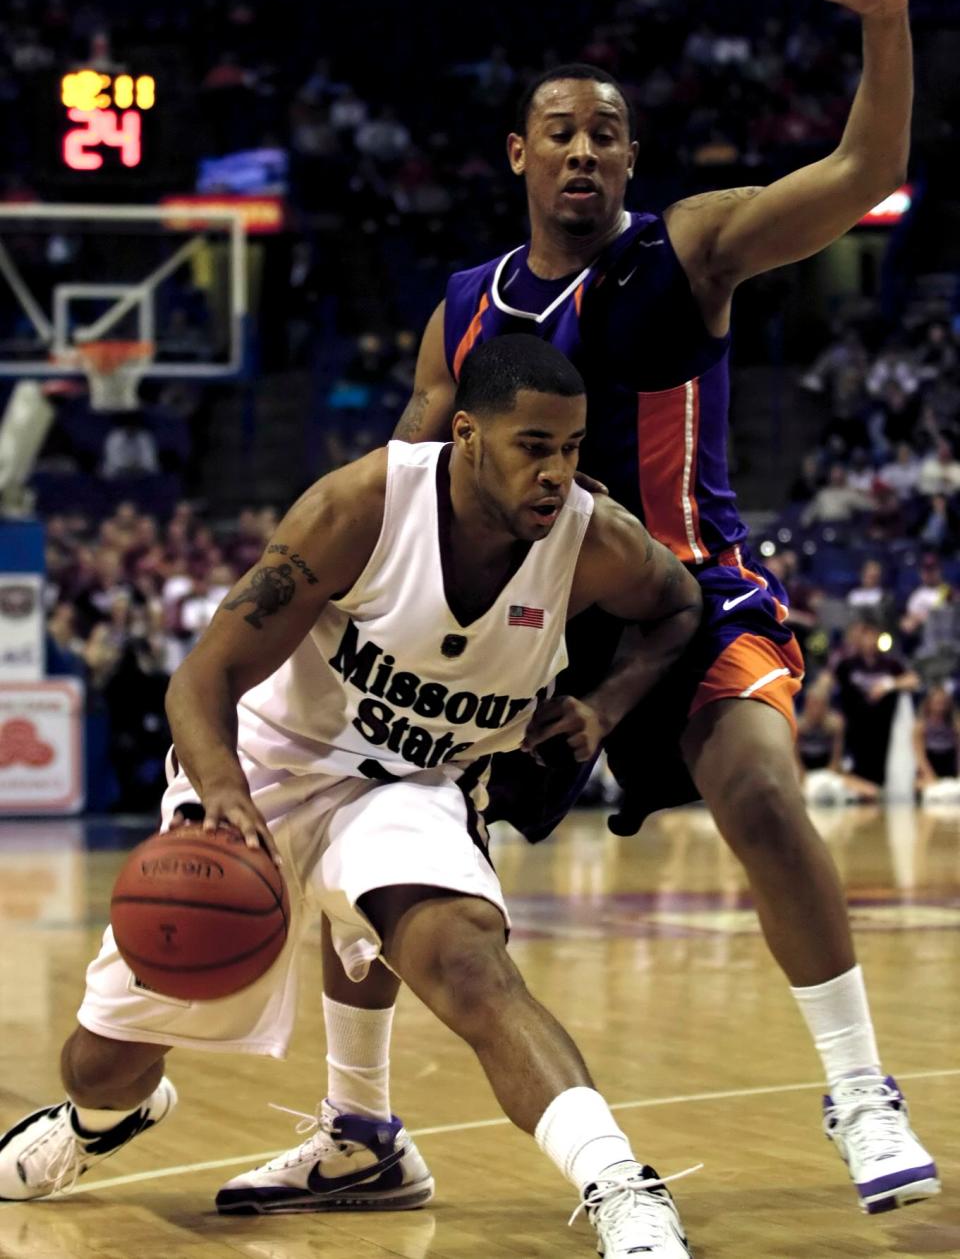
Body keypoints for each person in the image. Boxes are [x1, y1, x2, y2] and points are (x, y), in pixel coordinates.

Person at [277, 0, 938, 1220]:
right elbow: (398, 485)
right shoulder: (461, 314)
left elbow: (867, 171)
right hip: (511, 637)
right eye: (560, 132)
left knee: (760, 792)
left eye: (609, 135)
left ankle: (861, 1085)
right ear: (519, 156)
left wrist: (883, 27)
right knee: (377, 837)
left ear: (630, 163)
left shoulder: (688, 248)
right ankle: (358, 1125)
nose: (585, 151)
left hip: (686, 594)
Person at [0, 337, 705, 1259]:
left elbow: (680, 604)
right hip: (264, 771)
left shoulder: (590, 539)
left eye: (571, 448)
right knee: (102, 1065)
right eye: (534, 445)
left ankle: (620, 1184)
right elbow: (200, 679)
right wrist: (220, 796)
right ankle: (98, 1125)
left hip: (410, 784)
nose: (558, 473)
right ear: (467, 435)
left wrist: (603, 707)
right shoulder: (360, 508)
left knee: (464, 960)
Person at [834, 620, 919, 788]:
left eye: (873, 636)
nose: (869, 641)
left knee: (882, 773)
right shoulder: (847, 664)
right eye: (865, 637)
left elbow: (913, 680)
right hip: (856, 728)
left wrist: (888, 684)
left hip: (882, 727)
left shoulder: (889, 664)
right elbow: (830, 681)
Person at [797, 676, 878, 804]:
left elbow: (836, 760)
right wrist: (806, 781)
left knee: (871, 792)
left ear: (826, 706)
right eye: (813, 704)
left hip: (829, 772)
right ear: (807, 704)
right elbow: (796, 761)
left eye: (820, 705)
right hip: (804, 775)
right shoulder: (797, 726)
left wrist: (827, 779)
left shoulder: (835, 725)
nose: (816, 709)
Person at [912, 684, 960, 803]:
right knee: (920, 787)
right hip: (930, 765)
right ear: (929, 703)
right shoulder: (920, 726)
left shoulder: (955, 725)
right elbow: (920, 756)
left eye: (943, 702)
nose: (940, 706)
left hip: (949, 764)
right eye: (937, 702)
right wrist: (929, 776)